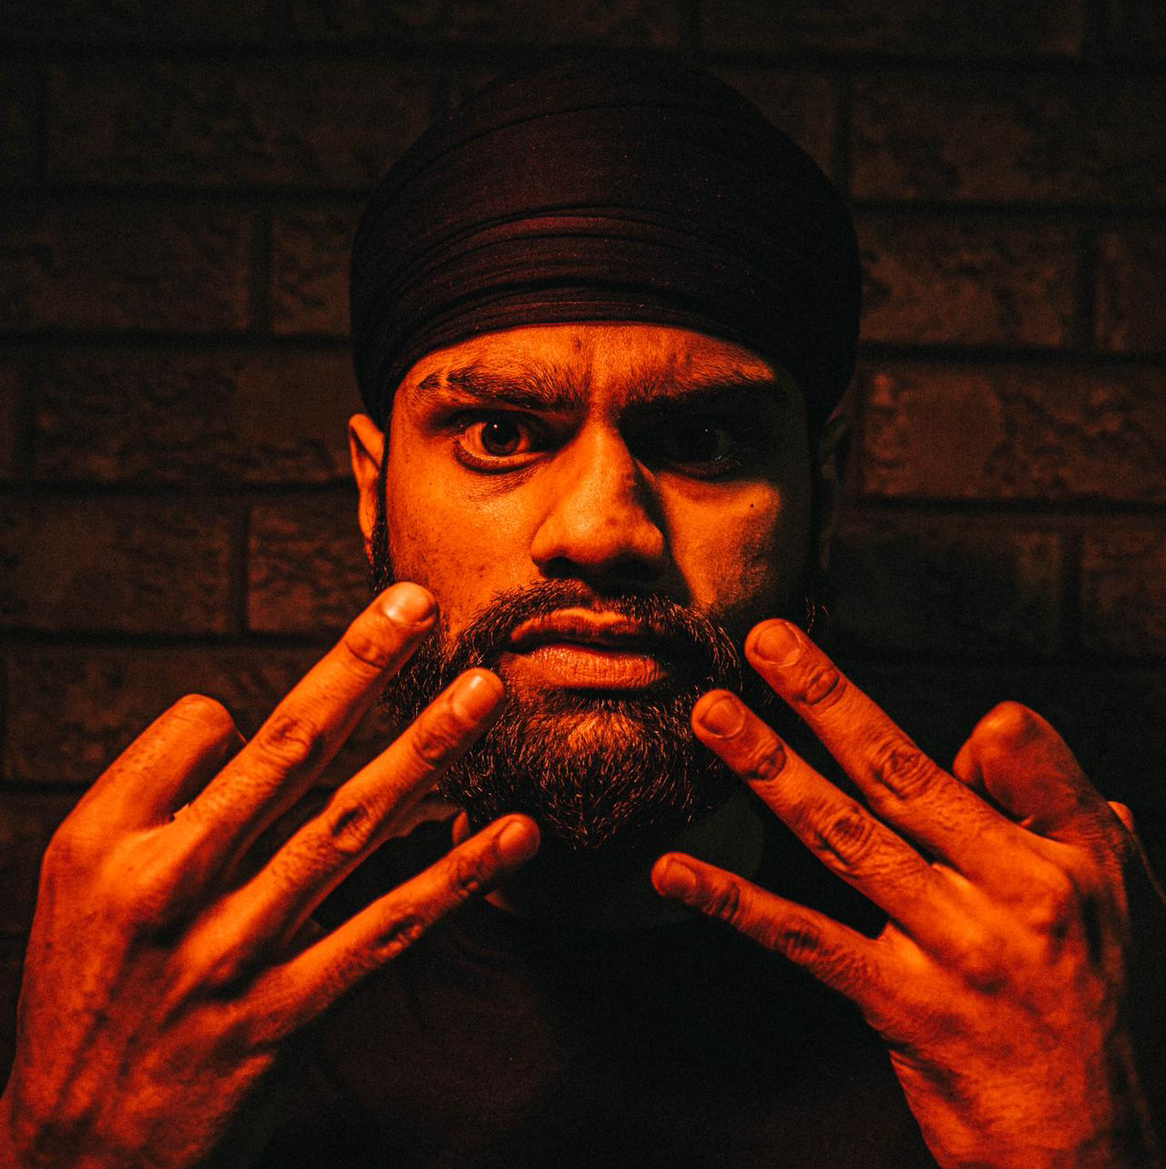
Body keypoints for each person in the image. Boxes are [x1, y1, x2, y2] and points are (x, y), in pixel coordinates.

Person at [2, 55, 1164, 1169]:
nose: (601, 529)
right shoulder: (173, 1025)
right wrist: (70, 1148)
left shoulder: (1036, 1021)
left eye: (701, 438)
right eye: (500, 433)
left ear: (824, 493)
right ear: (372, 489)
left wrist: (1083, 1140)